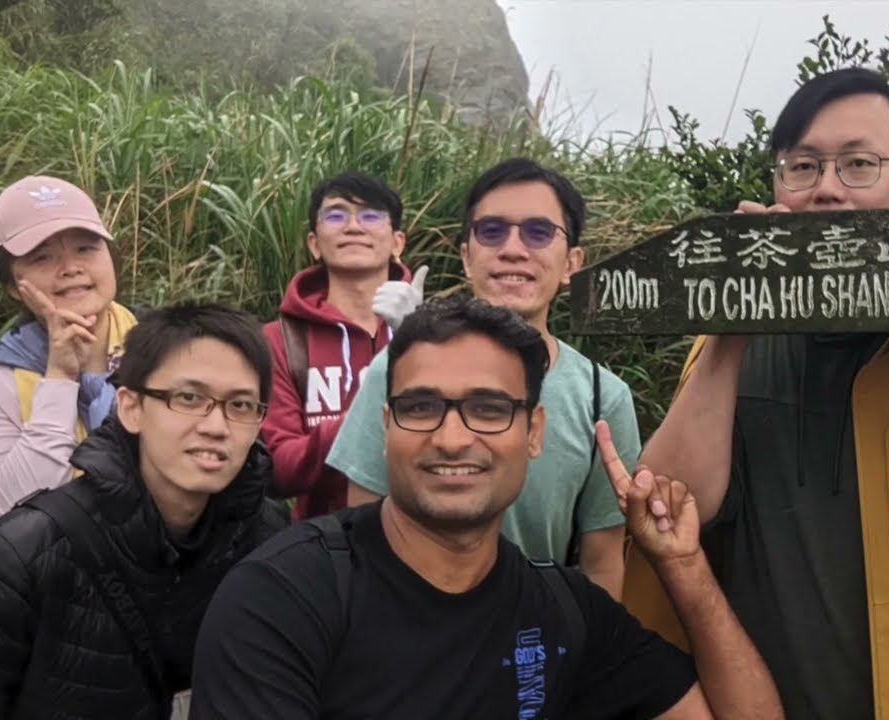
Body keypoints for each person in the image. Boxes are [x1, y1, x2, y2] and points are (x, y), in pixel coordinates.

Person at [189, 296, 783, 719]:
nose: (452, 438)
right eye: (421, 407)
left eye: (490, 409)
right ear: (385, 426)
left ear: (534, 432)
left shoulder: (562, 612)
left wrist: (682, 564)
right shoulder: (285, 599)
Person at [626, 67, 889, 720]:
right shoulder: (731, 347)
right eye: (802, 167)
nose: (827, 190)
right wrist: (735, 324)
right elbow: (665, 508)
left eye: (859, 164)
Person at [0, 303, 289, 719]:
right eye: (189, 398)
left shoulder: (270, 539)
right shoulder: (19, 559)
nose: (216, 425)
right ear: (130, 407)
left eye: (241, 406)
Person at [328, 158, 637, 598]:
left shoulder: (603, 398)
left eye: (538, 232)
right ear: (466, 257)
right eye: (491, 231)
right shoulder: (395, 370)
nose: (513, 248)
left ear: (572, 263)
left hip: (541, 643)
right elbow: (360, 529)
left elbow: (602, 562)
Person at [0, 175, 140, 529]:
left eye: (86, 248)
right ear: (13, 286)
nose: (70, 268)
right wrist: (60, 379)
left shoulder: (167, 346)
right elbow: (14, 518)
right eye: (42, 257)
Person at [260, 171, 427, 520]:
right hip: (324, 548)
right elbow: (277, 467)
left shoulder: (437, 330)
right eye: (335, 215)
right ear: (314, 243)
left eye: (371, 215)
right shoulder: (280, 340)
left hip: (428, 534)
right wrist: (364, 421)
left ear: (397, 242)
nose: (353, 226)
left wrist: (420, 341)